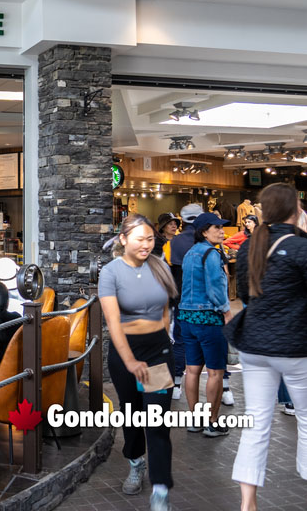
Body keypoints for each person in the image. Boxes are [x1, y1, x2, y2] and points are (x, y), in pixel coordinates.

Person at [231, 183, 307, 511]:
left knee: (256, 422)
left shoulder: (251, 246)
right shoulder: (301, 247)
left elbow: (247, 296)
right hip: (294, 345)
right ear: (295, 209)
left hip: (254, 344)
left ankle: (248, 504)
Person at [99, 214, 177, 511]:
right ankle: (135, 462)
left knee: (156, 420)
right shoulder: (111, 272)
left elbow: (167, 307)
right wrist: (130, 360)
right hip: (124, 353)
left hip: (157, 353)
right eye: (140, 239)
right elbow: (113, 321)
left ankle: (160, 488)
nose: (146, 244)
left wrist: (165, 339)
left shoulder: (160, 267)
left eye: (150, 239)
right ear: (123, 240)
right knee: (132, 413)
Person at [178, 212, 232, 437]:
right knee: (215, 373)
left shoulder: (191, 252)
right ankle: (212, 423)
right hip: (208, 318)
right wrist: (227, 312)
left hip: (186, 318)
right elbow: (215, 288)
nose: (221, 231)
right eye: (216, 227)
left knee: (191, 370)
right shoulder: (211, 253)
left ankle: (194, 420)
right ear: (203, 231)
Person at [168, 203, 201, 401]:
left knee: (179, 340)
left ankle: (177, 382)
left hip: (180, 297)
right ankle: (224, 387)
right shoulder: (206, 240)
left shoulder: (175, 242)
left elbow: (169, 272)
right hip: (204, 300)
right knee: (211, 343)